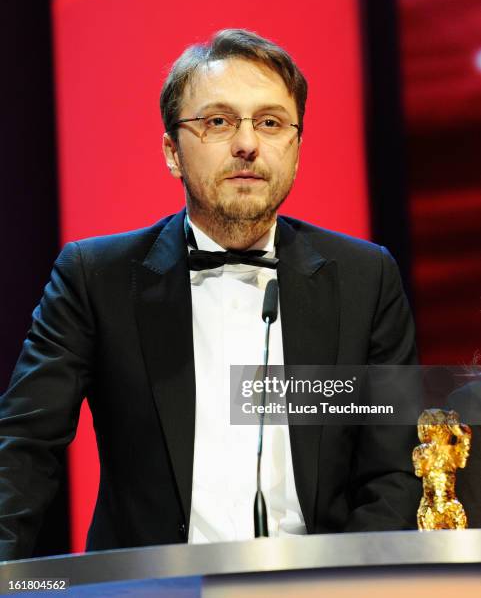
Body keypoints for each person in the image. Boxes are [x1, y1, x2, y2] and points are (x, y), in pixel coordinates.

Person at [0, 29, 421, 561]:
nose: (247, 143)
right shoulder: (96, 276)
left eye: (270, 122)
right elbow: (24, 446)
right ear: (172, 151)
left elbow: (391, 469)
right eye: (219, 121)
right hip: (152, 591)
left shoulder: (366, 278)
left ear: (296, 148)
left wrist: (348, 587)